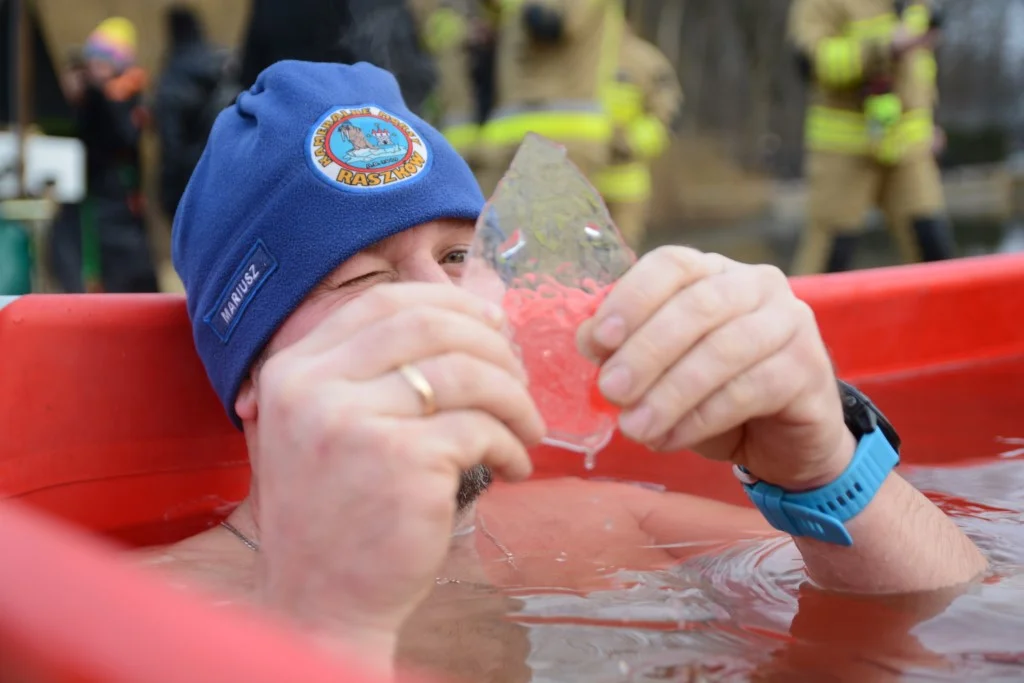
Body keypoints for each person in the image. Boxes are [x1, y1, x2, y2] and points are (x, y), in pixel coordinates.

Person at [155, 60, 986, 680]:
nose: (450, 306)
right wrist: (323, 620)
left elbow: (960, 631)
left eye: (457, 256)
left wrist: (828, 467)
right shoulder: (124, 605)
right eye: (361, 279)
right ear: (253, 372)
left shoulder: (612, 521)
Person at [788, 0, 957, 275]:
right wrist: (882, 48)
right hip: (843, 150)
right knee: (830, 259)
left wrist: (931, 122)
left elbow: (921, 69)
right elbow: (813, 62)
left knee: (934, 251)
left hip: (909, 148)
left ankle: (950, 318)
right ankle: (803, 318)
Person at [473, 0, 627, 196]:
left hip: (563, 137)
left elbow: (551, 24)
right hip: (509, 134)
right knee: (496, 224)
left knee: (554, 224)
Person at [51, 17, 159, 293]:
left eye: (103, 60)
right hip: (93, 203)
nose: (95, 67)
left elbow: (123, 136)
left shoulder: (125, 97)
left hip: (118, 206)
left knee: (129, 274)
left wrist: (95, 96)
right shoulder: (93, 99)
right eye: (92, 61)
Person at [594, 25, 682, 251]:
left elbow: (666, 116)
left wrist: (630, 144)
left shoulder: (643, 60)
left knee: (620, 262)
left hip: (625, 185)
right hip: (573, 181)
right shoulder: (567, 55)